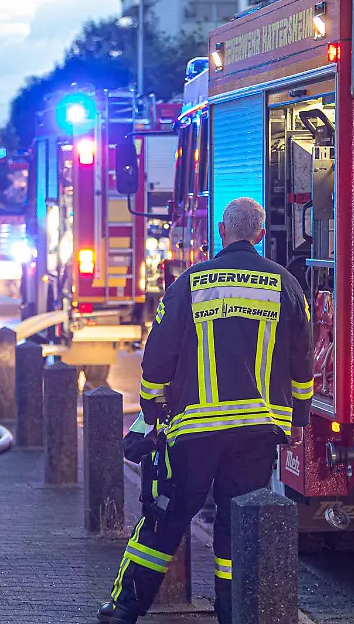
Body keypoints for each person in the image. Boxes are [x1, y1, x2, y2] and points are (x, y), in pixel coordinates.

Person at [98, 197, 314, 624]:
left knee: (166, 515)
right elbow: (302, 362)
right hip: (256, 431)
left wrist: (152, 407)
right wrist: (300, 421)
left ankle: (124, 610)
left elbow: (157, 354)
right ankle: (233, 613)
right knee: (237, 523)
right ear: (258, 235)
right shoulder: (286, 285)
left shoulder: (190, 284)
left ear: (221, 231)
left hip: (194, 431)